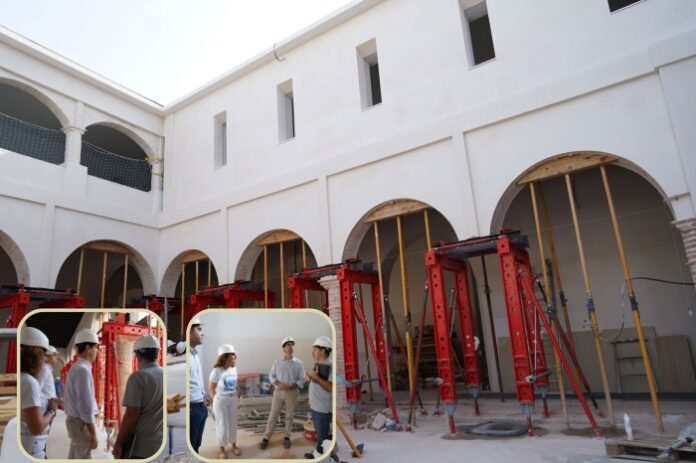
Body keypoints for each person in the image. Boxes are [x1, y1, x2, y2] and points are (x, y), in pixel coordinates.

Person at [113, 334, 164, 459]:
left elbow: (131, 414)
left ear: (137, 355)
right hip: (160, 444)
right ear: (157, 353)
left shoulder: (138, 377)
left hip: (139, 448)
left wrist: (118, 443)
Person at [260, 336, 305, 450]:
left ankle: (287, 437)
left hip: (292, 392)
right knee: (273, 415)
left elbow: (302, 378)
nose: (290, 347)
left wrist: (294, 384)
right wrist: (278, 384)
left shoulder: (298, 363)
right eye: (288, 345)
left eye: (291, 345)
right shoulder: (277, 362)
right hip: (279, 392)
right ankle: (266, 438)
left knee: (289, 416)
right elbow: (271, 376)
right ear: (283, 348)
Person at [19, 326, 58, 459]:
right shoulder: (29, 382)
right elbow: (36, 427)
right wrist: (52, 411)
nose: (45, 359)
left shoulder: (24, 378)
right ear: (34, 355)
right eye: (43, 354)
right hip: (32, 449)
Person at [64, 328, 100, 459]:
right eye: (96, 347)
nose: (97, 351)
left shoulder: (78, 368)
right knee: (84, 457)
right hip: (80, 423)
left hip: (75, 422)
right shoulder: (82, 370)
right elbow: (85, 406)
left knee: (74, 456)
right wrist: (93, 434)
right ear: (88, 348)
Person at [209, 344, 241, 458]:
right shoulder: (217, 371)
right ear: (226, 357)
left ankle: (234, 446)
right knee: (222, 425)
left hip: (232, 399)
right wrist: (215, 401)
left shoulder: (234, 369)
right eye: (233, 356)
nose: (235, 358)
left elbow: (235, 384)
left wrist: (236, 393)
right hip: (221, 400)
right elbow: (211, 388)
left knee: (233, 423)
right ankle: (222, 449)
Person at [304, 336, 333, 459]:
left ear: (322, 351)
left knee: (323, 436)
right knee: (320, 435)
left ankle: (326, 458)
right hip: (316, 407)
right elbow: (317, 381)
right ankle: (319, 452)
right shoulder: (319, 364)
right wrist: (310, 378)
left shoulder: (330, 366)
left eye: (314, 349)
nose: (312, 352)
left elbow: (330, 387)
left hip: (322, 409)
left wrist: (315, 378)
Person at [188, 317, 209, 454]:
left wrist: (203, 399)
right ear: (189, 332)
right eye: (199, 329)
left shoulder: (195, 355)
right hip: (192, 410)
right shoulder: (187, 357)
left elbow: (195, 383)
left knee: (196, 446)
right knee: (191, 448)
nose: (203, 333)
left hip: (201, 408)